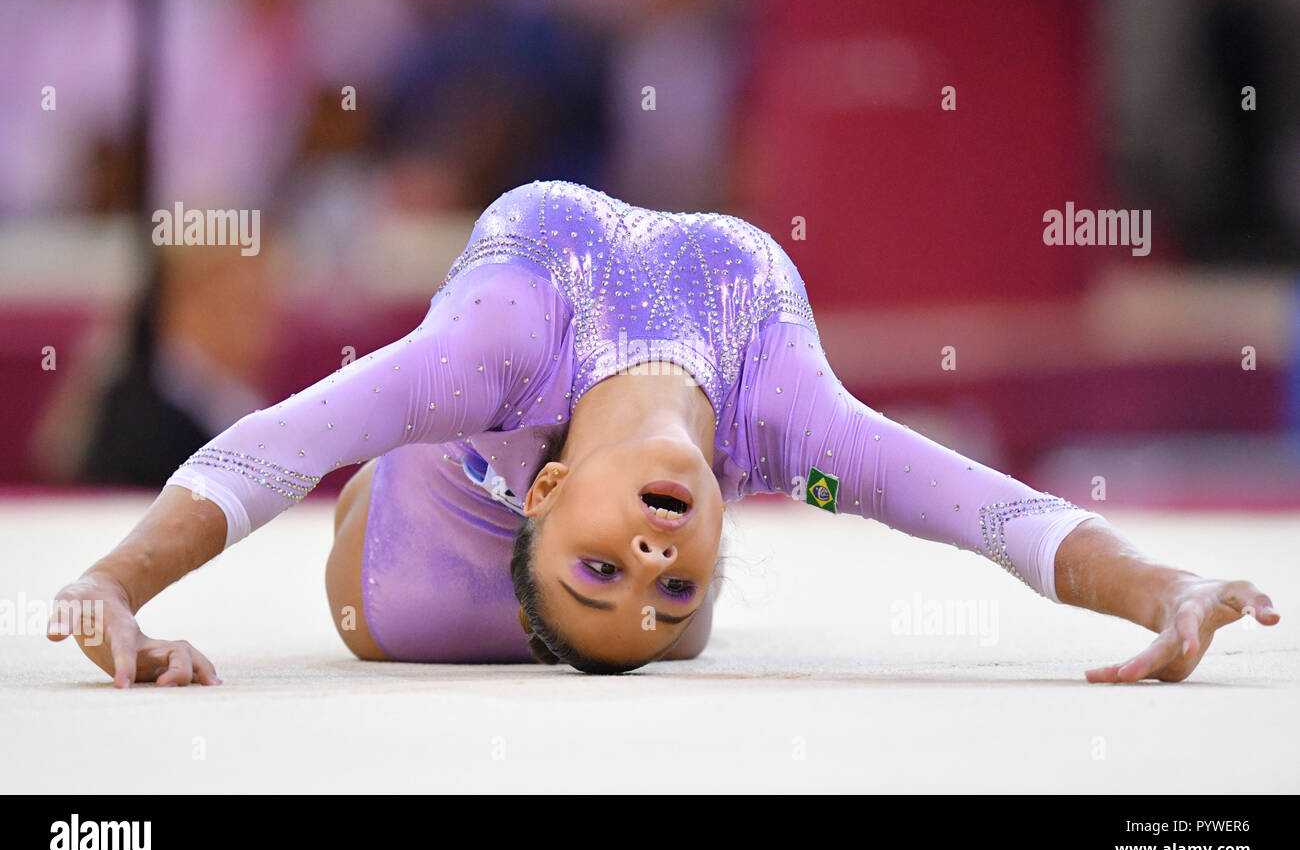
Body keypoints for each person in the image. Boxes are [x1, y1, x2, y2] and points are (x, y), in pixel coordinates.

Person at [47, 180, 1280, 683]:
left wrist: (113, 580)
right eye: (674, 580)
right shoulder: (785, 415)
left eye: (605, 566)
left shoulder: (496, 340)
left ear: (552, 494)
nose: (650, 563)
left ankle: (469, 468)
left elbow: (273, 446)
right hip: (498, 486)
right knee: (643, 640)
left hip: (404, 574)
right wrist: (1158, 586)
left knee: (393, 423)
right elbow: (996, 512)